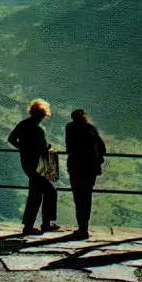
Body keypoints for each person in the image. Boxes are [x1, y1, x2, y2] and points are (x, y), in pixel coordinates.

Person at [8, 99, 60, 235]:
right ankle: (45, 223)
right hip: (38, 165)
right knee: (50, 191)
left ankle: (29, 225)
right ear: (41, 115)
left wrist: (23, 149)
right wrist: (48, 149)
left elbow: (11, 139)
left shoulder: (23, 125)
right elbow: (42, 149)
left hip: (27, 164)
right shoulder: (38, 130)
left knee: (35, 193)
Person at [64, 109, 106, 240]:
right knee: (87, 196)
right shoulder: (91, 128)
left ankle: (81, 227)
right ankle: (84, 229)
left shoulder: (70, 128)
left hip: (75, 166)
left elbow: (69, 148)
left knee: (78, 197)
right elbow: (102, 148)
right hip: (90, 168)